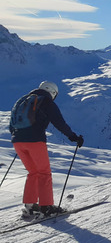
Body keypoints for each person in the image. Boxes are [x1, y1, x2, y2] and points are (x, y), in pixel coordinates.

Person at [9, 81, 84, 217]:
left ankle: (30, 206)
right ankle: (46, 207)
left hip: (17, 141)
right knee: (44, 173)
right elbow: (59, 122)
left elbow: (12, 122)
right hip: (35, 141)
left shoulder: (22, 100)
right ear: (53, 93)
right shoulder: (46, 102)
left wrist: (20, 136)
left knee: (33, 172)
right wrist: (73, 136)